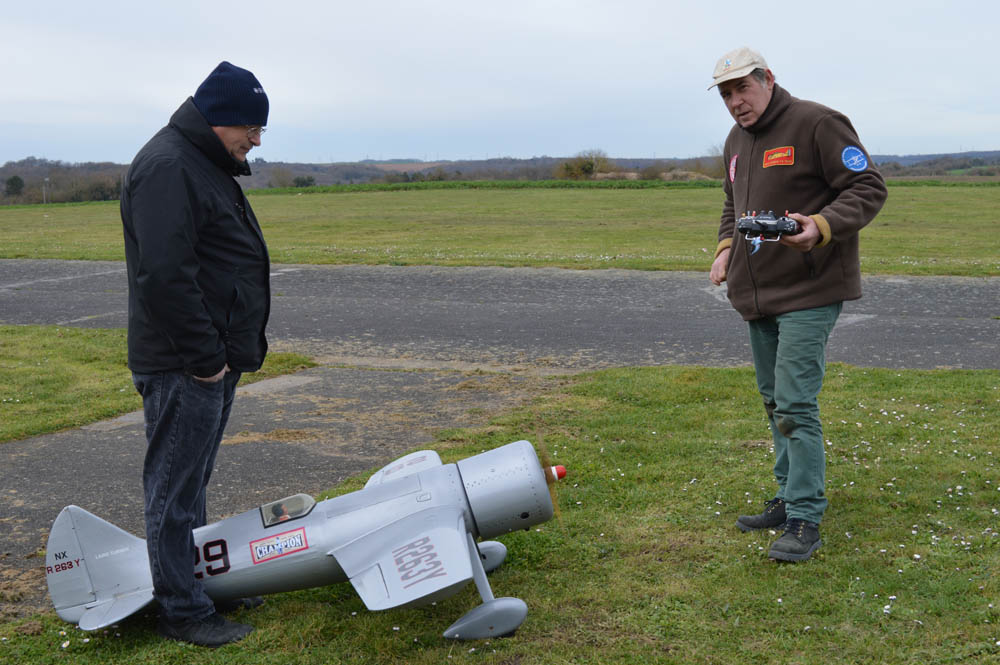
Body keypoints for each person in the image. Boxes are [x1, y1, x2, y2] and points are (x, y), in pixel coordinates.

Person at [707, 47, 887, 562]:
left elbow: (868, 186)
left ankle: (806, 516)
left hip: (811, 290)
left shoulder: (818, 123)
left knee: (794, 401)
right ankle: (788, 497)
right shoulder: (735, 141)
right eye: (726, 94)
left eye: (743, 87)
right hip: (756, 293)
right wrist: (725, 252)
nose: (736, 102)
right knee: (773, 399)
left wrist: (821, 226)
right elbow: (731, 204)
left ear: (767, 79)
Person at [121, 61, 272, 646]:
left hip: (210, 360)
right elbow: (164, 278)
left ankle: (201, 582)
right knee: (174, 490)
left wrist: (223, 356)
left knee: (192, 483)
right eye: (250, 128)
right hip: (185, 364)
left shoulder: (202, 164)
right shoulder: (167, 168)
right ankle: (182, 610)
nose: (255, 140)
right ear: (217, 120)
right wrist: (206, 359)